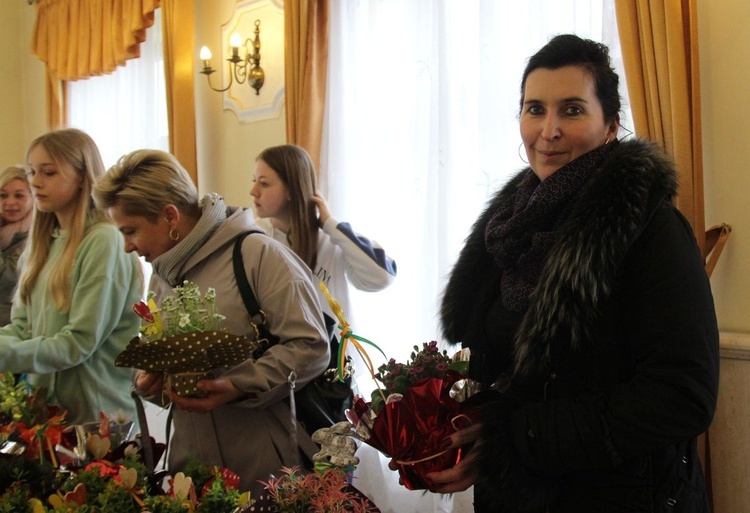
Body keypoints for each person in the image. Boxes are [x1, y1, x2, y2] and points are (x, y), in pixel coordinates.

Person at [432, 34, 719, 512]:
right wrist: (469, 433)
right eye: (534, 109)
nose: (548, 130)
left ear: (611, 125)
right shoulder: (509, 227)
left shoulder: (648, 228)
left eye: (571, 110)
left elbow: (683, 395)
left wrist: (517, 435)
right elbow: (512, 373)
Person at [92, 149, 330, 495]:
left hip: (265, 465)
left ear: (170, 216)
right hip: (190, 468)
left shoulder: (258, 255)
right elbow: (149, 353)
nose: (127, 246)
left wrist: (239, 384)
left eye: (131, 231)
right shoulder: (162, 273)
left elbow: (312, 347)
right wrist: (148, 383)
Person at [0, 128, 141, 425]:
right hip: (48, 416)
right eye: (32, 172)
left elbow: (78, 343)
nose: (35, 182)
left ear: (81, 177)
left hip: (99, 417)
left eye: (48, 173)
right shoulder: (43, 243)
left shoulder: (104, 241)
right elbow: (23, 329)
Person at [251, 144, 397, 320]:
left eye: (264, 183)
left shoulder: (332, 238)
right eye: (254, 181)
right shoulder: (253, 237)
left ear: (292, 189)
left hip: (332, 346)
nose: (253, 192)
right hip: (277, 346)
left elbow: (382, 277)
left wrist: (331, 225)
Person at [0, 166, 33, 326]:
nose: (10, 202)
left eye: (19, 196)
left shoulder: (35, 237)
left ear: (32, 197)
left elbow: (7, 282)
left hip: (14, 326)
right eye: (3, 195)